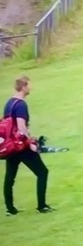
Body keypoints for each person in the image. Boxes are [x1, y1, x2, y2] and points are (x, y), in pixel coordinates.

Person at [3, 76, 52, 215]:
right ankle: (41, 206)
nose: (30, 88)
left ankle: (10, 209)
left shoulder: (9, 103)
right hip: (21, 147)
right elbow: (21, 127)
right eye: (29, 85)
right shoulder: (21, 104)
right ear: (23, 87)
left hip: (10, 146)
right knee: (42, 172)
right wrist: (30, 144)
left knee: (10, 177)